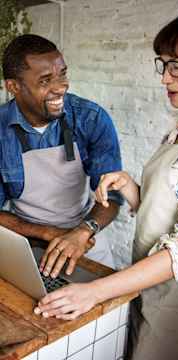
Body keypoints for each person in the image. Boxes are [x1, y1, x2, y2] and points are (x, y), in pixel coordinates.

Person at [34, 6, 178, 360]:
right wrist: (128, 186)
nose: (165, 78)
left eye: (177, 66)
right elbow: (165, 209)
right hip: (150, 289)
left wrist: (95, 291)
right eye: (163, 64)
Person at [0, 34, 123, 277]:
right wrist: (46, 233)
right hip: (25, 243)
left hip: (86, 238)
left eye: (62, 74)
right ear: (13, 87)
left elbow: (113, 196)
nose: (61, 87)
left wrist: (83, 230)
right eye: (45, 81)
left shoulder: (90, 118)